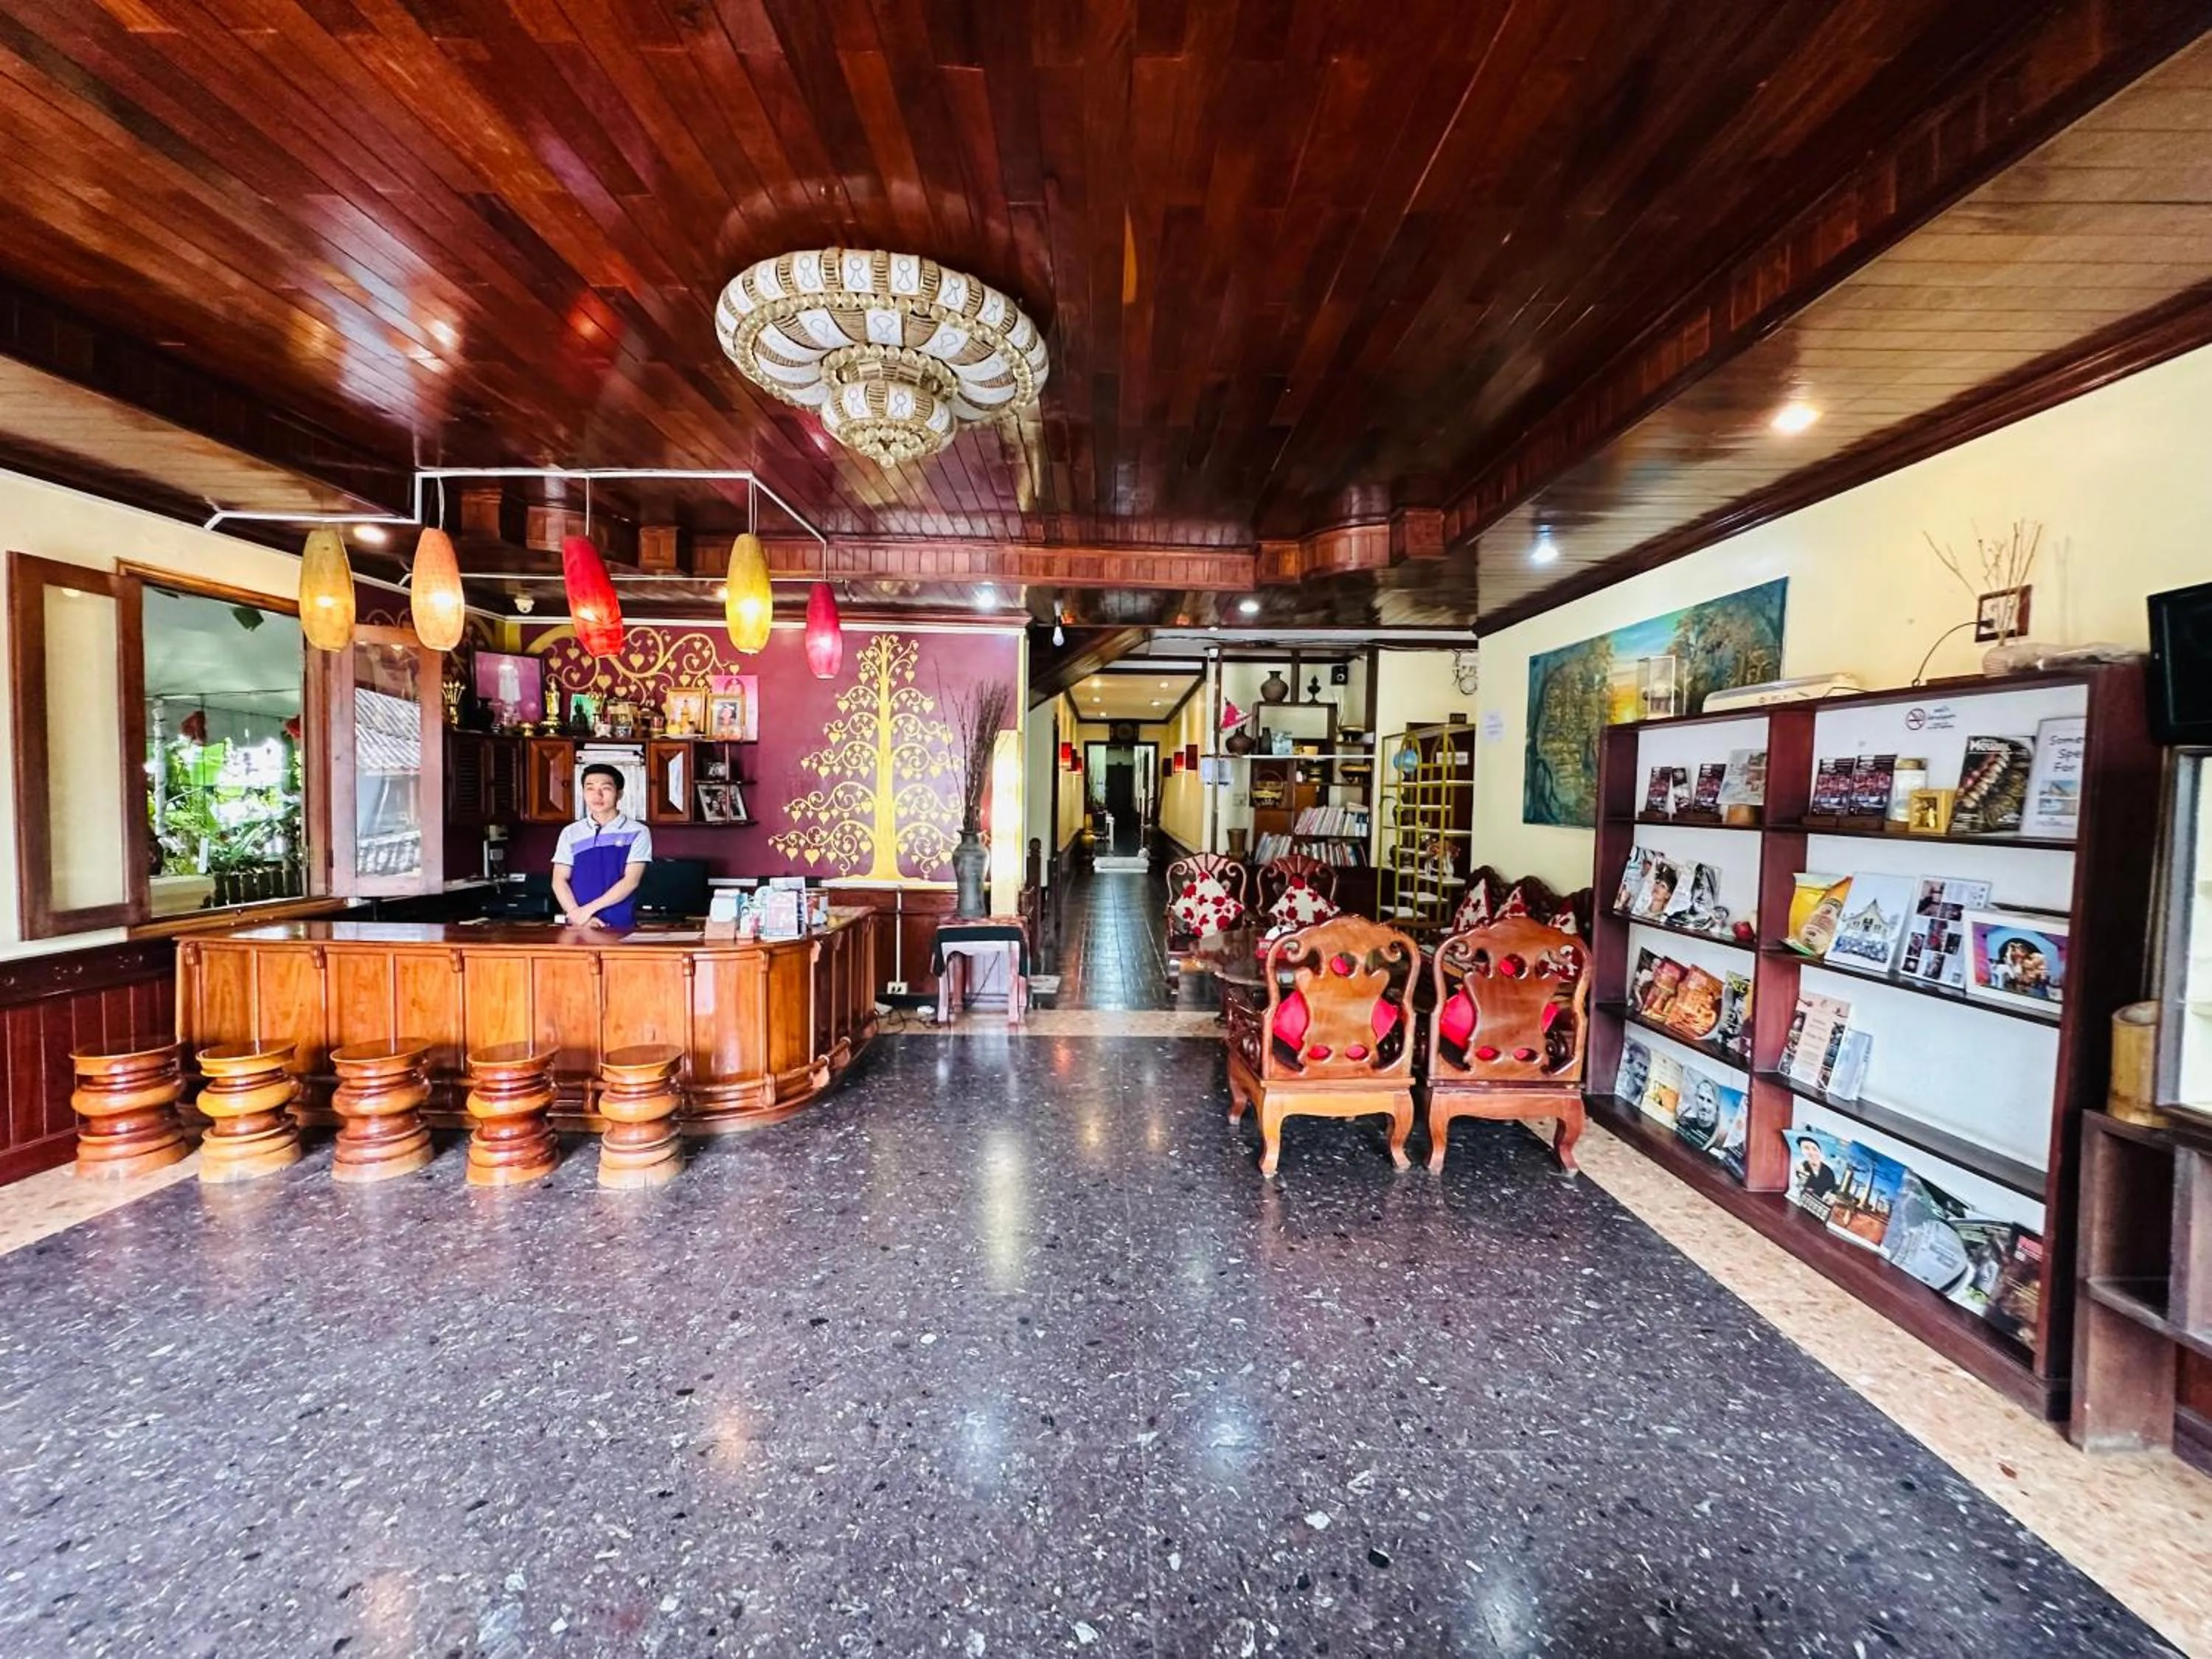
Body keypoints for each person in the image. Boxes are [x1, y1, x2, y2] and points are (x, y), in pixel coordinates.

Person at [552, 764, 652, 929]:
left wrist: (586, 911)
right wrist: (578, 915)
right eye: (590, 788)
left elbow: (630, 881)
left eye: (605, 788)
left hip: (620, 925)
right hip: (578, 925)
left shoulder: (638, 832)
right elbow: (559, 880)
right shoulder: (570, 833)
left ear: (619, 794)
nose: (597, 795)